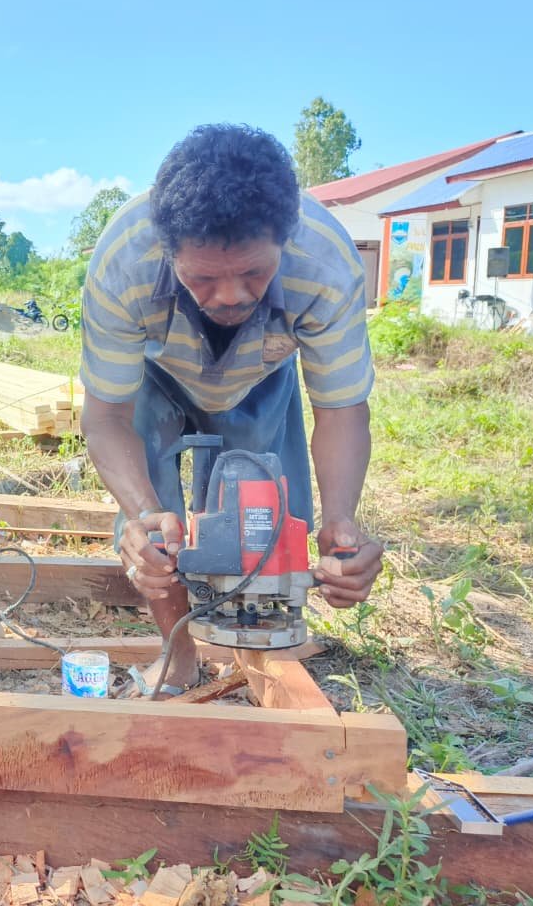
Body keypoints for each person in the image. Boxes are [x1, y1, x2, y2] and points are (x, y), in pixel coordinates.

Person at [79, 124, 384, 696]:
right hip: (154, 375)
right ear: (168, 252)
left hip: (261, 377)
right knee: (157, 537)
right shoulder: (125, 260)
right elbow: (105, 418)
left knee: (263, 513)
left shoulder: (325, 264)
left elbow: (342, 410)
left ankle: (258, 652)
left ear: (285, 242)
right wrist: (143, 512)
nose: (229, 296)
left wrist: (342, 519)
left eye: (253, 273)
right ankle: (179, 655)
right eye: (202, 278)